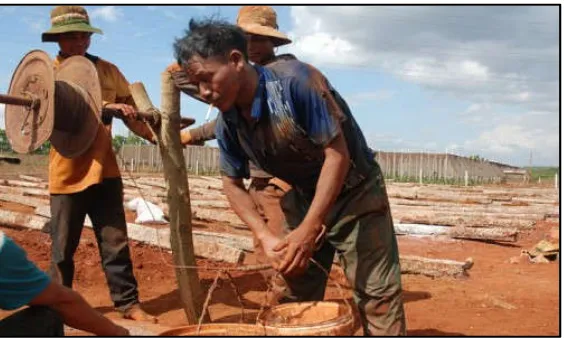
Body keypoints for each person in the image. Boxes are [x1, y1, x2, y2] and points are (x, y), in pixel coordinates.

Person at [173, 18, 407, 336]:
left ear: (236, 60)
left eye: (207, 79)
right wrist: (267, 237)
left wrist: (310, 228)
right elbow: (231, 183)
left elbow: (337, 156)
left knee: (376, 296)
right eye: (195, 84)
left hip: (356, 194)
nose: (204, 93)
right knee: (292, 293)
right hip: (303, 193)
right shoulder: (229, 123)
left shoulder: (297, 83)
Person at [41, 5, 155, 323]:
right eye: (71, 37)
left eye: (83, 36)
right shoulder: (49, 72)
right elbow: (57, 110)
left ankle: (128, 304)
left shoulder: (107, 70)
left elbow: (133, 110)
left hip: (106, 170)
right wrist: (106, 106)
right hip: (68, 171)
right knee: (63, 247)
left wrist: (159, 137)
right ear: (58, 39)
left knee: (115, 242)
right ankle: (57, 307)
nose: (79, 43)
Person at [167, 6, 294, 268]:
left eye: (260, 39)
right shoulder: (230, 78)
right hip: (257, 180)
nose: (253, 45)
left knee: (282, 248)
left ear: (273, 42)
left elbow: (220, 123)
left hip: (281, 181)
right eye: (246, 38)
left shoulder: (279, 78)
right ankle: (278, 299)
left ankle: (287, 302)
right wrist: (191, 62)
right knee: (264, 245)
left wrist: (192, 134)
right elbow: (217, 104)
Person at [0, 231, 130, 336]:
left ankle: (129, 304)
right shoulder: (2, 248)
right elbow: (61, 301)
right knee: (47, 318)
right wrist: (117, 332)